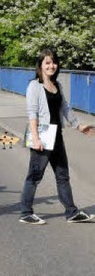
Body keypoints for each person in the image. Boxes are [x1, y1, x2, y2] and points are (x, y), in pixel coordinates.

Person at [19, 48, 94, 225]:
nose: (51, 66)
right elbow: (32, 113)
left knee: (63, 175)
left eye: (53, 62)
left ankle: (71, 212)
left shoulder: (57, 85)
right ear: (40, 65)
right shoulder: (34, 86)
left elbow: (65, 108)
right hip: (42, 135)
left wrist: (79, 125)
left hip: (56, 134)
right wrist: (36, 138)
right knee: (35, 176)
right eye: (47, 63)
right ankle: (25, 212)